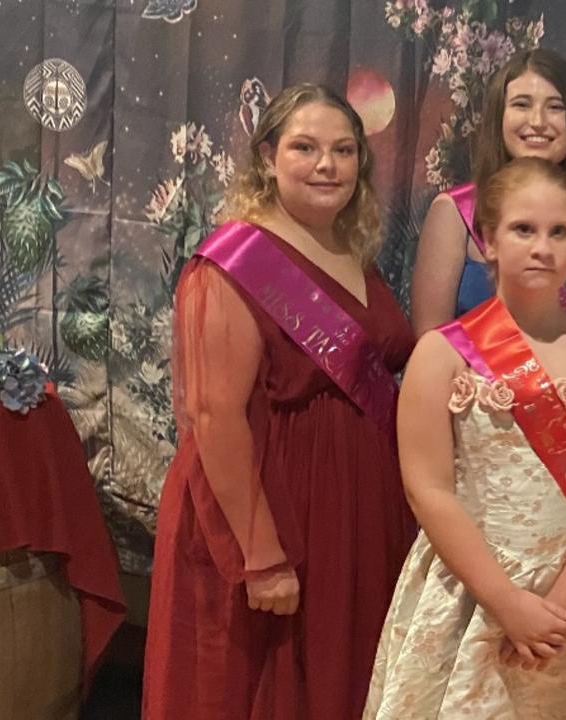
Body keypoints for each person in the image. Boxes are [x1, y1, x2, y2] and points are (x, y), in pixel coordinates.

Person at [143, 84, 415, 720]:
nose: (327, 165)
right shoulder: (233, 262)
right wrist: (262, 556)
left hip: (355, 508)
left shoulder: (350, 250)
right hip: (274, 507)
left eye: (344, 150)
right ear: (267, 157)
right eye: (305, 147)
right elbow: (214, 418)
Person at [364, 157, 566, 718]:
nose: (541, 247)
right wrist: (507, 603)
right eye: (523, 229)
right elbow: (428, 489)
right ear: (489, 240)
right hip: (470, 593)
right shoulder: (442, 354)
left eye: (559, 232)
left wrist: (563, 602)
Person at [409, 49, 566, 334]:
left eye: (555, 107)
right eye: (521, 104)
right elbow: (429, 339)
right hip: (468, 378)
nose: (538, 121)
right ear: (499, 116)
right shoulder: (454, 212)